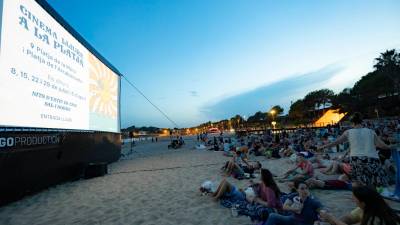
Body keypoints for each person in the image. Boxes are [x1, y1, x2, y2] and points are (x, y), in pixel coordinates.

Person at [318, 112, 393, 187]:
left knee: (357, 183)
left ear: (352, 123)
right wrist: (392, 146)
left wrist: (323, 146)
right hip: (372, 160)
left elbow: (336, 142)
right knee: (373, 183)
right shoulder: (371, 132)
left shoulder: (348, 132)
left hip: (357, 160)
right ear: (362, 122)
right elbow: (383, 146)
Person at [319, 185, 400, 225]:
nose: (352, 200)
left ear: (363, 203)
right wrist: (332, 220)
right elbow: (349, 218)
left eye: (354, 198)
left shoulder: (375, 218)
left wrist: (332, 218)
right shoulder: (366, 207)